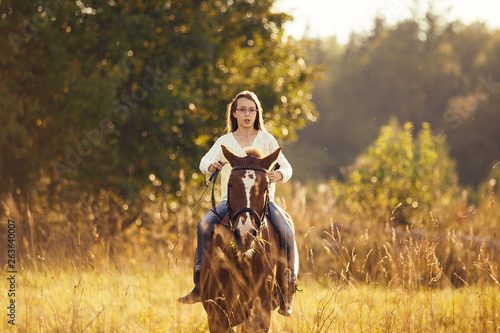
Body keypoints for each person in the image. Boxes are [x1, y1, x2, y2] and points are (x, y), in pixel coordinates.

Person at [178, 90, 298, 316]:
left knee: (286, 230)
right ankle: (199, 283)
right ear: (234, 113)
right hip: (230, 203)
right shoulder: (225, 141)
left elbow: (287, 167)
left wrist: (278, 176)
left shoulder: (267, 139)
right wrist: (211, 167)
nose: (247, 114)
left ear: (257, 113)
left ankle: (287, 289)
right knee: (203, 224)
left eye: (251, 110)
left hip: (263, 204)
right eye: (242, 109)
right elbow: (204, 161)